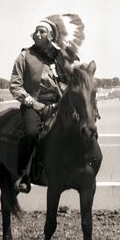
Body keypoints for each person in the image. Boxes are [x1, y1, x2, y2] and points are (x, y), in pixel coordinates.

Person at [10, 14, 84, 193]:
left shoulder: (59, 56)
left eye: (42, 31)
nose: (37, 34)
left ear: (50, 36)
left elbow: (71, 75)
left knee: (81, 126)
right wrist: (33, 103)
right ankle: (23, 175)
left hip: (59, 104)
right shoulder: (24, 56)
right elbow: (15, 85)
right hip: (34, 105)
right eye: (36, 31)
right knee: (32, 133)